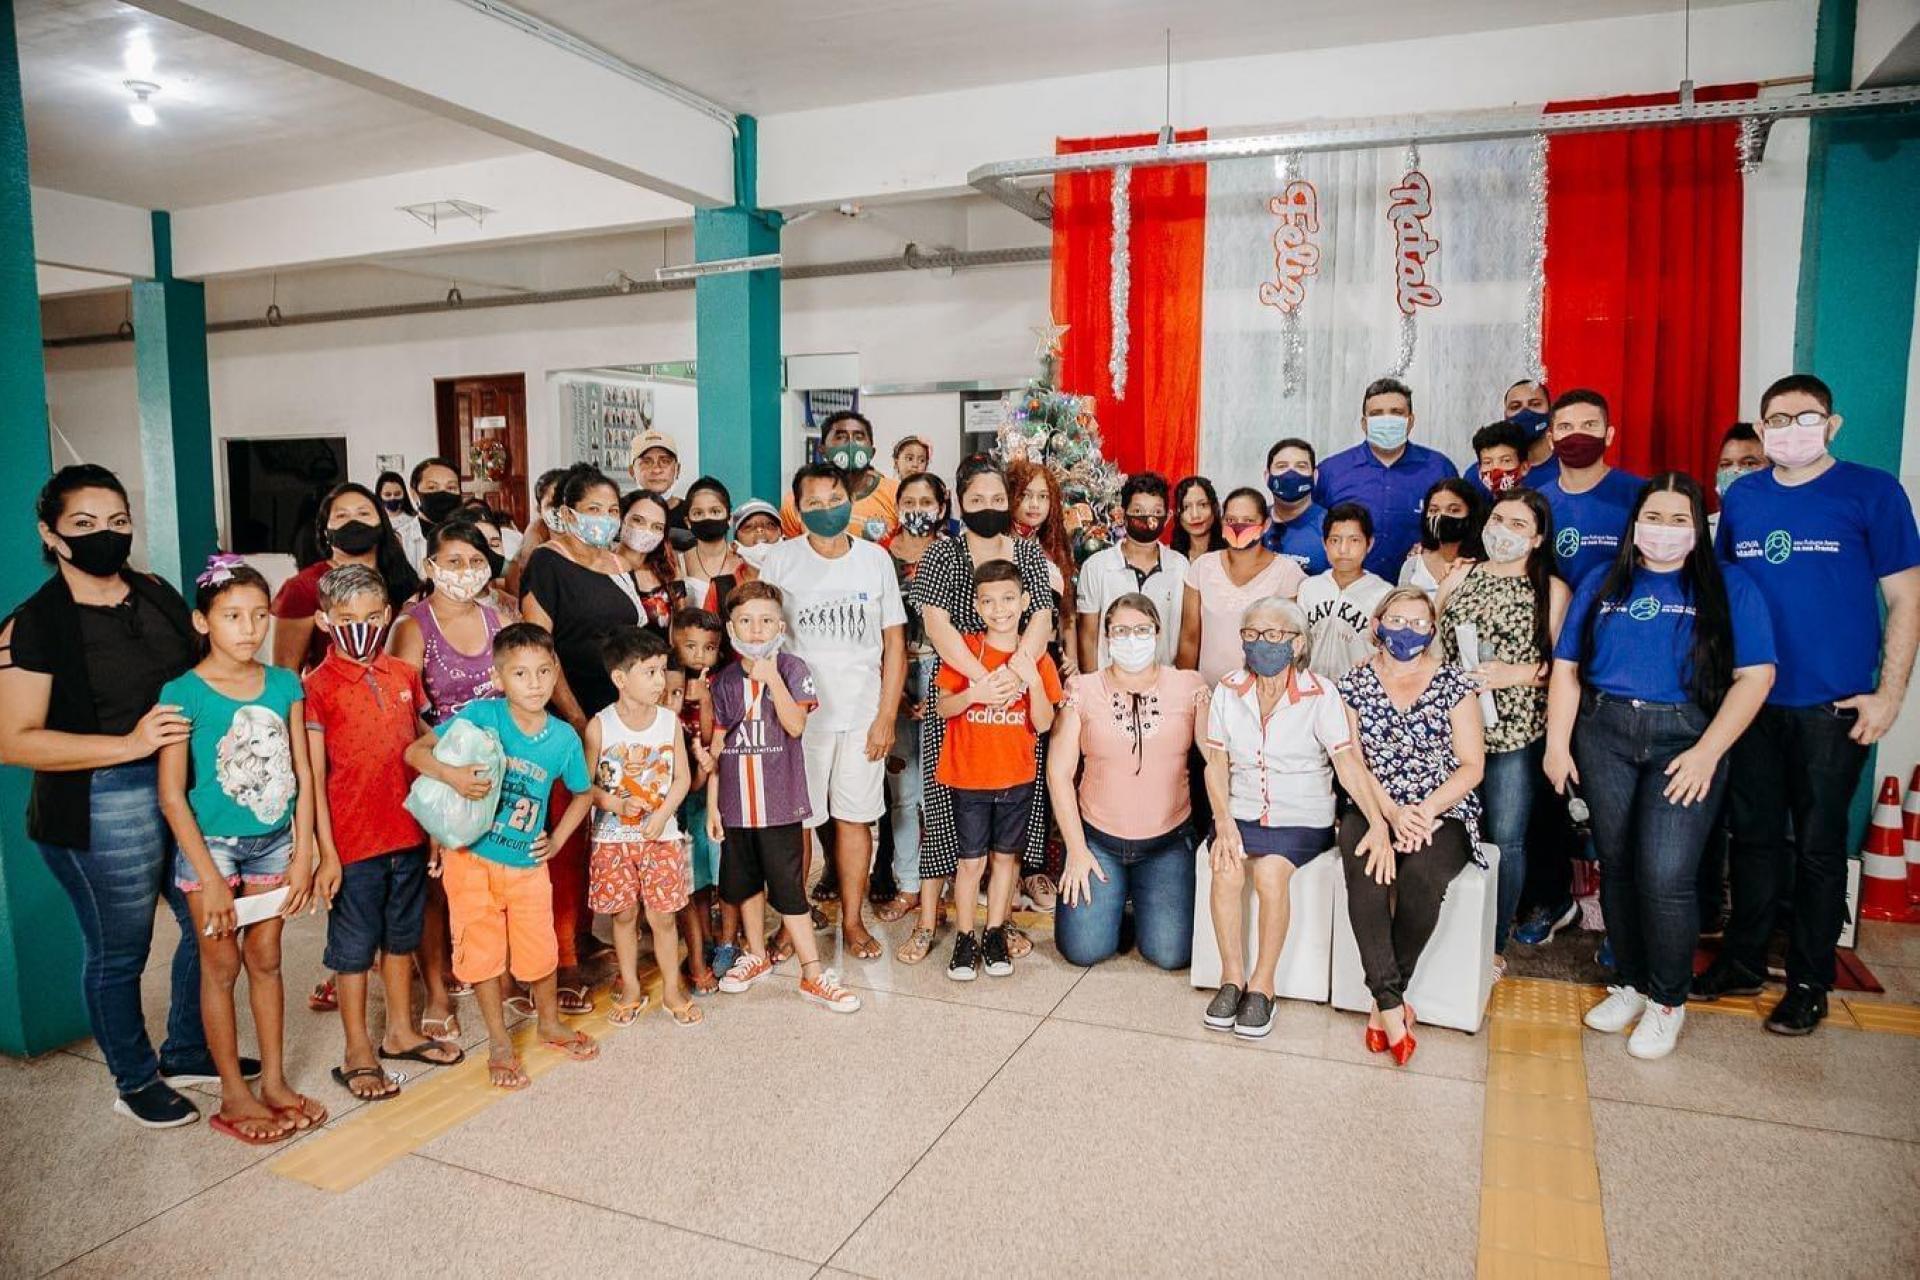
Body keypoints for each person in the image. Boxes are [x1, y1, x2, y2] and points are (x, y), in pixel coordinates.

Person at [0, 464, 227, 1128]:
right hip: (101, 801)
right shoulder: (32, 626)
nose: (106, 535)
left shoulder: (153, 592)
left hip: (179, 786)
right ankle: (134, 1079)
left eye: (118, 522)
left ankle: (188, 1049)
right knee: (120, 950)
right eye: (85, 524)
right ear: (52, 533)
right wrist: (127, 745)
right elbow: (14, 740)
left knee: (204, 926)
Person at [1698, 374, 1920, 1035]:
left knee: (1820, 849)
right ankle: (1742, 960)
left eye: (1806, 416)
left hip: (1836, 705)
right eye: (1777, 419)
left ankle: (1809, 980)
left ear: (1833, 423)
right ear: (1761, 430)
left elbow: (1907, 598)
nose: (1791, 427)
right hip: (1754, 701)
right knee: (1755, 840)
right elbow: (1724, 595)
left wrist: (1890, 695)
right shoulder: (1745, 500)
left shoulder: (1872, 492)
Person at [1546, 474, 1775, 1058]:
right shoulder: (1604, 580)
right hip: (1606, 734)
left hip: (1686, 741)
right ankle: (1630, 981)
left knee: (1666, 874)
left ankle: (1668, 1001)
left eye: (1680, 520)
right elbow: (1568, 667)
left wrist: (1708, 752)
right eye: (1654, 517)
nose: (1664, 531)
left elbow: (1756, 677)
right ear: (1635, 521)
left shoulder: (1730, 587)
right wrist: (1557, 745)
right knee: (1617, 866)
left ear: (1699, 527)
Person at [156, 556, 323, 1142]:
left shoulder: (285, 683)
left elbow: (301, 771)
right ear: (202, 622)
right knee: (221, 964)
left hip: (275, 844)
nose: (249, 629)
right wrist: (207, 876)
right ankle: (233, 1092)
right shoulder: (183, 692)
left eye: (258, 615)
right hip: (213, 851)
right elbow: (173, 796)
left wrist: (304, 853)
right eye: (231, 616)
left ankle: (273, 1081)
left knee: (268, 959)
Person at [404, 623, 600, 1090]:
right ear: (498, 678)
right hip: (469, 860)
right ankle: (498, 1042)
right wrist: (451, 775)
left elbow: (583, 793)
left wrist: (555, 840)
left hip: (527, 865)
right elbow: (416, 751)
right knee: (481, 953)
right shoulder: (483, 716)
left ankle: (549, 1023)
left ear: (556, 675)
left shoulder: (563, 740)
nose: (533, 684)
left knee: (540, 948)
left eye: (543, 672)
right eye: (520, 673)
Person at [304, 564, 461, 1101]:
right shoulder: (316, 688)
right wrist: (325, 852)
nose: (361, 627)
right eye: (347, 618)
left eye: (373, 616)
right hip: (352, 843)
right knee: (352, 949)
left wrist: (436, 826)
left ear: (389, 615)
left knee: (401, 937)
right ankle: (356, 1049)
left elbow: (423, 750)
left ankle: (399, 1031)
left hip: (408, 833)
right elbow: (313, 777)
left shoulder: (401, 674)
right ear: (324, 620)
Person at [1202, 598, 1376, 1037]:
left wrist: (1377, 820)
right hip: (1240, 808)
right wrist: (1223, 822)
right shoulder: (1228, 689)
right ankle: (1230, 978)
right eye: (1252, 634)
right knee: (1225, 870)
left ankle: (1263, 986)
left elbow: (1347, 762)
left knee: (1271, 875)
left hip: (1301, 813)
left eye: (1273, 634)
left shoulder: (1321, 693)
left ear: (1298, 643)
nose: (1261, 643)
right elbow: (1216, 763)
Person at [905, 457, 1056, 964]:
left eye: (997, 500)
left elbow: (1041, 618)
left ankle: (998, 923)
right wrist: (979, 677)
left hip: (1015, 688)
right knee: (945, 807)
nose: (988, 508)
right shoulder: (942, 555)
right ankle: (930, 922)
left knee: (1008, 822)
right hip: (961, 687)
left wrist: (1016, 672)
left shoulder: (1028, 553)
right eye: (977, 501)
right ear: (959, 503)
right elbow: (937, 625)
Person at [755, 462, 907, 961]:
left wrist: (886, 715)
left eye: (834, 498)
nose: (826, 509)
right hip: (800, 720)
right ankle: (791, 923)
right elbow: (763, 637)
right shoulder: (780, 561)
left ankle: (853, 920)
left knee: (855, 819)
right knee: (797, 826)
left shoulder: (874, 560)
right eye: (813, 502)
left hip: (861, 714)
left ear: (851, 498)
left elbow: (894, 646)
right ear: (797, 509)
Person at [1336, 587, 1487, 1066]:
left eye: (1420, 622)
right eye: (1397, 620)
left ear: (1433, 630)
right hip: (1371, 803)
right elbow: (1354, 761)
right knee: (1366, 868)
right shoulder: (1354, 683)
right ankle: (1391, 1003)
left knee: (1422, 875)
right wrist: (1390, 814)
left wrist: (1422, 810)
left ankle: (1385, 1003)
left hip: (1442, 809)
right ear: (1377, 625)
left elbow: (1471, 765)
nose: (1407, 631)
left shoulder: (1453, 684)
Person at [704, 582, 861, 1012]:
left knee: (790, 889)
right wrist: (713, 804)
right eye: (746, 621)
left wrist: (771, 676)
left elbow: (794, 725)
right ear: (731, 626)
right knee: (745, 882)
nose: (756, 630)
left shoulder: (793, 668)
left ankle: (812, 972)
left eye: (766, 620)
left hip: (779, 801)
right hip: (737, 805)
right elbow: (716, 748)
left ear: (782, 625)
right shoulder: (722, 682)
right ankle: (755, 953)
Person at [1436, 489, 1567, 970]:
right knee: (1449, 828)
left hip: (1514, 731)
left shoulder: (1550, 589)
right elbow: (1433, 641)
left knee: (1506, 836)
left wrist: (1516, 673)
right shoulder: (1462, 574)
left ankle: (1491, 942)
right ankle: (1447, 930)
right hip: (1454, 725)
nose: (1503, 532)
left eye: (1517, 525)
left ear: (1536, 537)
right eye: (1498, 519)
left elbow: (1563, 666)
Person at [387, 520, 505, 1040]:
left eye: (474, 561)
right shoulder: (413, 627)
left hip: (495, 765)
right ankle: (436, 989)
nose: (465, 572)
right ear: (429, 566)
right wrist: (448, 769)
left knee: (492, 873)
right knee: (436, 883)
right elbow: (405, 708)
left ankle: (492, 969)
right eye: (452, 562)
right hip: (437, 764)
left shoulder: (497, 619)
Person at [1050, 595, 1208, 968]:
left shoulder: (1188, 686)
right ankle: (1115, 905)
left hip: (1166, 841)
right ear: (1106, 636)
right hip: (1098, 841)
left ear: (1157, 633)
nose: (1131, 639)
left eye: (1141, 630)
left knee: (1172, 955)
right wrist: (1076, 849)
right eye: (1120, 631)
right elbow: (1058, 772)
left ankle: (1141, 899)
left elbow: (1216, 757)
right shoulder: (1083, 690)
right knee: (1083, 951)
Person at [933, 560, 1062, 979]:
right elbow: (942, 707)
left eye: (1008, 599)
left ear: (1024, 602)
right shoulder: (966, 649)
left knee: (1006, 860)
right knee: (970, 863)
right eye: (989, 601)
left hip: (1017, 777)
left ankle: (994, 934)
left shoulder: (1036, 658)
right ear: (977, 604)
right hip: (969, 776)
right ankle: (965, 937)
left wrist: (1034, 681)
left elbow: (1044, 723)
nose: (1000, 608)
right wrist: (975, 692)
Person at [585, 627, 700, 1027]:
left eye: (662, 671)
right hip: (613, 840)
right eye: (650, 672)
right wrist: (617, 803)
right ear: (620, 678)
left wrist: (662, 814)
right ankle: (632, 985)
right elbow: (588, 787)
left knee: (664, 916)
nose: (660, 681)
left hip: (661, 836)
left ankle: (671, 987)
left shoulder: (668, 722)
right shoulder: (600, 726)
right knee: (623, 916)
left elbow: (683, 778)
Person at [877, 472, 949, 925]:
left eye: (928, 500)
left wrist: (944, 686)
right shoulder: (879, 556)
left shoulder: (953, 555)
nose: (918, 508)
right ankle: (906, 884)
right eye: (910, 500)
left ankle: (936, 890)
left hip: (945, 675)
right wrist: (896, 687)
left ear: (942, 507)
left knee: (940, 790)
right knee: (902, 790)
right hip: (894, 675)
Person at [1312, 377, 1459, 579]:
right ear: (1364, 423)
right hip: (1350, 590)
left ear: (1411, 420)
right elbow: (1313, 527)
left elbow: (1461, 527)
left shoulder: (1439, 468)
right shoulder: (1332, 471)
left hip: (1420, 589)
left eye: (1396, 413)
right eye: (1376, 414)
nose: (1387, 420)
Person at [272, 483, 420, 675]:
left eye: (363, 513)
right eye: (341, 516)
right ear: (325, 531)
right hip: (330, 700)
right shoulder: (303, 587)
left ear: (382, 525)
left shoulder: (401, 579)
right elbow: (286, 671)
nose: (353, 522)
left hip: (398, 697)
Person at [1178, 487, 1306, 685]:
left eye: (1248, 521)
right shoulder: (1202, 567)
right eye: (1231, 520)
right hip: (1209, 692)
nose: (1238, 527)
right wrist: (1184, 689)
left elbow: (1292, 642)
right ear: (1222, 522)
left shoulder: (1287, 572)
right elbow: (1189, 638)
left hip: (1263, 693)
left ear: (1265, 525)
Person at [1076, 471, 1187, 673]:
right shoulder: (1096, 566)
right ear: (1122, 514)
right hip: (1109, 682)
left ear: (1168, 517)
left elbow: (1186, 634)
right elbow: (1087, 636)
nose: (1147, 518)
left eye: (1156, 511)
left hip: (1161, 682)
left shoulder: (1180, 566)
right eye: (1138, 511)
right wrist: (1092, 689)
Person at [668, 607, 726, 992]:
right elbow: (664, 729)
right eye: (690, 645)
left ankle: (711, 939)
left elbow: (709, 738)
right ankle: (695, 944)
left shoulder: (717, 683)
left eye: (708, 648)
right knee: (685, 876)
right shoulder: (664, 679)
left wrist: (703, 697)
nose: (699, 655)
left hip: (707, 788)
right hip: (672, 791)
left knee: (705, 871)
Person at [1535, 389, 1642, 585]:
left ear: (1608, 435)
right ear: (1551, 440)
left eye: (1589, 425)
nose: (1577, 435)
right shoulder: (1537, 502)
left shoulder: (1641, 495)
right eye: (1566, 427)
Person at [1298, 503, 1392, 678]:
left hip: (1357, 692)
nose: (1343, 549)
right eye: (1335, 540)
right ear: (1324, 544)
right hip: (1311, 689)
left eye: (1354, 540)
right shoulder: (1309, 588)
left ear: (1369, 544)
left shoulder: (1384, 594)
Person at [781, 410, 899, 541]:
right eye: (840, 437)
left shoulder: (897, 494)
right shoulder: (797, 499)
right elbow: (791, 554)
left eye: (859, 437)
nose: (850, 444)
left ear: (872, 452)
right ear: (822, 450)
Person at [1464, 380, 1559, 493]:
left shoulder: (1567, 468)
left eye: (1535, 404)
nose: (1525, 412)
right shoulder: (1480, 476)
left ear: (1551, 411)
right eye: (1515, 406)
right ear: (1505, 415)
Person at [1400, 478, 1484, 597]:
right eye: (1434, 510)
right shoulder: (1413, 564)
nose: (1442, 516)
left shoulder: (1483, 566)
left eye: (1454, 510)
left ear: (1471, 514)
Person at [616, 488, 684, 631]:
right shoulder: (599, 566)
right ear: (621, 518)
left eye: (657, 527)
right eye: (638, 520)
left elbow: (682, 625)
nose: (646, 530)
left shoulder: (669, 571)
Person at [679, 476, 747, 616]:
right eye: (698, 513)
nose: (707, 518)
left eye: (715, 512)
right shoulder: (678, 563)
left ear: (729, 518)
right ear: (688, 521)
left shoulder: (745, 560)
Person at [1262, 439, 1329, 574]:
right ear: (1267, 476)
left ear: (1315, 476)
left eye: (1301, 466)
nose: (1291, 474)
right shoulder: (1252, 521)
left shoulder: (1331, 526)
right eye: (1282, 466)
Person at [503, 467, 568, 599]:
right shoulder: (525, 558)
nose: (560, 510)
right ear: (540, 510)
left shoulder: (593, 547)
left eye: (565, 502)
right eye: (552, 505)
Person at [1709, 423, 1766, 536]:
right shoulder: (1704, 531)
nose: (1734, 471)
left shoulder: (1788, 523)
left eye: (1749, 463)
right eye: (1726, 464)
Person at [628, 430, 687, 531]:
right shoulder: (620, 513)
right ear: (632, 471)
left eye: (665, 461)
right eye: (647, 462)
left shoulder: (692, 515)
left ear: (678, 469)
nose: (656, 470)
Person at [409, 457, 464, 563]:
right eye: (432, 487)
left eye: (451, 488)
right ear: (414, 493)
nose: (442, 494)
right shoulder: (400, 540)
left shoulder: (473, 532)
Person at [1468, 421, 1533, 497]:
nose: (1496, 468)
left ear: (1525, 467)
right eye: (1488, 462)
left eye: (1505, 461)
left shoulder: (1537, 507)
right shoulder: (1480, 506)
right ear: (1479, 470)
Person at [1171, 475, 1222, 559]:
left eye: (1202, 505)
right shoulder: (1169, 557)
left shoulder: (1230, 555)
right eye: (1186, 507)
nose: (1195, 515)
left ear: (1214, 508)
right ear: (1177, 513)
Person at [376, 470, 421, 566]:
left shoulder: (414, 520)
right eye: (387, 495)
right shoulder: (375, 522)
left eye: (397, 494)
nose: (393, 498)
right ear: (380, 496)